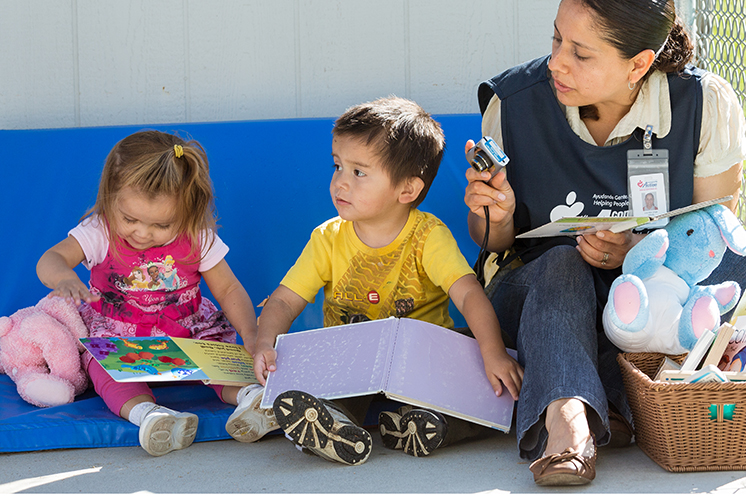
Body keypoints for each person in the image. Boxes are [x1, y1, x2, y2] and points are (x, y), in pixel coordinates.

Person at [463, 0, 746, 486]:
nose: (556, 62)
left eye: (581, 53)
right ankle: (568, 419)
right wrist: (495, 213)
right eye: (556, 39)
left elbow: (715, 241)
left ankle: (606, 401)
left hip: (649, 294)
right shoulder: (514, 101)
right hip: (536, 295)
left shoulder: (705, 104)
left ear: (638, 63)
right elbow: (492, 242)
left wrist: (636, 249)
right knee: (560, 266)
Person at [246, 96, 524, 466]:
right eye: (337, 166)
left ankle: (423, 423)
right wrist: (265, 343)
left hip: (421, 366)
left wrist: (491, 351)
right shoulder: (328, 238)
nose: (340, 182)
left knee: (488, 351)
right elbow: (283, 301)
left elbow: (469, 294)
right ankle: (333, 424)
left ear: (406, 190)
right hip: (351, 362)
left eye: (358, 172)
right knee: (323, 371)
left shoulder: (428, 236)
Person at [36, 130, 264, 457]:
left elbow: (228, 288)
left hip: (188, 332)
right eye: (130, 219)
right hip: (121, 338)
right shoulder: (100, 231)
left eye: (161, 226)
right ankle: (151, 416)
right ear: (110, 197)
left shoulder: (196, 236)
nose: (142, 233)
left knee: (225, 360)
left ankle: (252, 401)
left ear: (186, 213)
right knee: (101, 367)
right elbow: (51, 258)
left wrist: (251, 333)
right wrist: (63, 277)